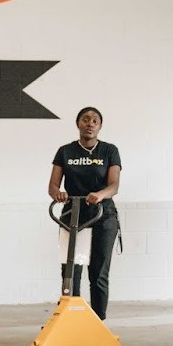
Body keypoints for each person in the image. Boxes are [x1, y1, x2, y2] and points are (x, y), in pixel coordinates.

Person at [46, 106, 122, 319]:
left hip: (102, 215)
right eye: (85, 119)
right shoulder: (65, 151)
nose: (90, 123)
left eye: (95, 120)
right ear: (78, 123)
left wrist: (100, 194)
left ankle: (98, 319)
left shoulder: (109, 151)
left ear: (100, 126)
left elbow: (114, 185)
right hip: (73, 215)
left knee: (98, 272)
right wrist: (58, 194)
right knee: (71, 270)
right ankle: (73, 318)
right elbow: (53, 186)